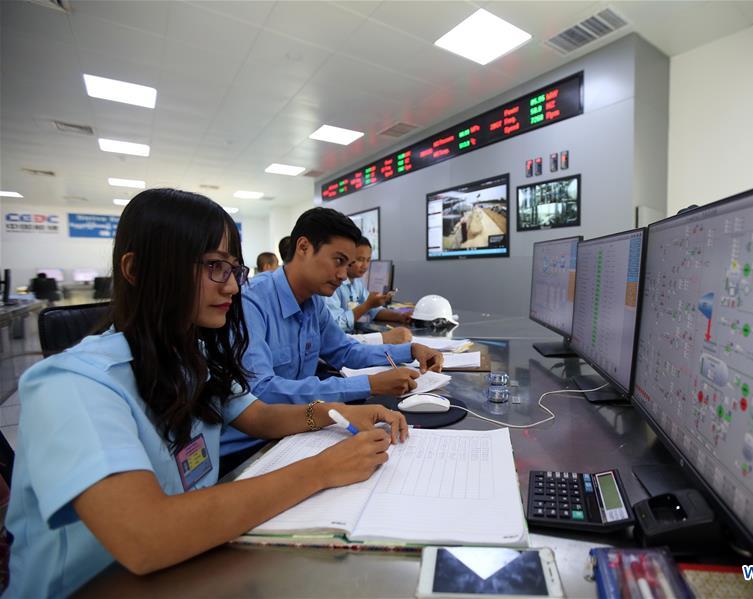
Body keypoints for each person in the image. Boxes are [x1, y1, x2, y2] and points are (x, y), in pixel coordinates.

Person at [4, 189, 408, 597]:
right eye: (215, 267)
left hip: (186, 565)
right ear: (137, 269)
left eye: (235, 269)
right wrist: (322, 469)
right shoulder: (73, 384)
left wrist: (334, 412)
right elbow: (146, 535)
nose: (233, 287)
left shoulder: (190, 357)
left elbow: (260, 415)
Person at [221, 208, 442, 467]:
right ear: (303, 247)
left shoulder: (313, 303)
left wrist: (410, 351)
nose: (343, 275)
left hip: (295, 431)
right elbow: (262, 392)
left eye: (347, 265)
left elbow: (346, 351)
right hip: (246, 451)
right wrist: (368, 384)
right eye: (338, 261)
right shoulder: (251, 302)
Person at [324, 236, 412, 345]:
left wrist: (400, 316)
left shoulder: (357, 283)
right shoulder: (332, 285)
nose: (365, 266)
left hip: (352, 339)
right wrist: (367, 305)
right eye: (360, 259)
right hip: (338, 342)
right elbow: (336, 324)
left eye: (368, 260)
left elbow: (373, 310)